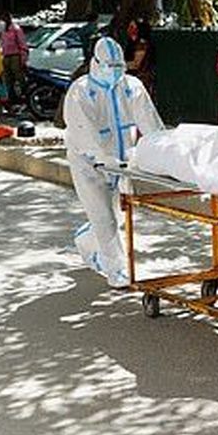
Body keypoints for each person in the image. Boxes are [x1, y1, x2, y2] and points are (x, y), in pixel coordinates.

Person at [63, 37, 165, 288]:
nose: (115, 71)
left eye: (119, 66)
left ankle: (86, 239)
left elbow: (150, 124)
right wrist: (102, 158)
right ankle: (116, 270)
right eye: (110, 66)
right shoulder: (81, 90)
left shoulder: (131, 86)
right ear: (96, 63)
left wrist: (164, 153)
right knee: (103, 218)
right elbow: (83, 131)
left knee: (117, 216)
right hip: (89, 164)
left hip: (123, 163)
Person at [0, 12, 28, 106]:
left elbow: (22, 43)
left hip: (15, 55)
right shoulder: (2, 30)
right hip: (5, 56)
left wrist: (23, 57)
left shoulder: (16, 29)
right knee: (8, 79)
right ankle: (12, 98)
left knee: (19, 76)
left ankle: (25, 95)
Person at [124, 18, 156, 98]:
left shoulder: (142, 44)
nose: (129, 30)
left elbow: (136, 64)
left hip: (141, 81)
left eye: (133, 27)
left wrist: (119, 65)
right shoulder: (131, 43)